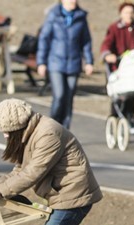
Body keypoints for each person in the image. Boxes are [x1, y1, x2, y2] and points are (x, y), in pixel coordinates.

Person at [36, 0, 93, 129]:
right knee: (59, 95)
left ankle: (65, 131)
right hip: (56, 63)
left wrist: (89, 61)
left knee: (69, 99)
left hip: (74, 63)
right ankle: (52, 127)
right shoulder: (53, 15)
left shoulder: (81, 17)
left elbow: (86, 41)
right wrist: (41, 62)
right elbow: (44, 38)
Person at [100, 2, 134, 119]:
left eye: (131, 13)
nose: (129, 15)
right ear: (121, 14)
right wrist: (108, 55)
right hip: (118, 68)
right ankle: (116, 117)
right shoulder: (114, 28)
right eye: (126, 12)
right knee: (119, 96)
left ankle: (130, 117)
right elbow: (107, 44)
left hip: (132, 68)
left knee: (132, 93)